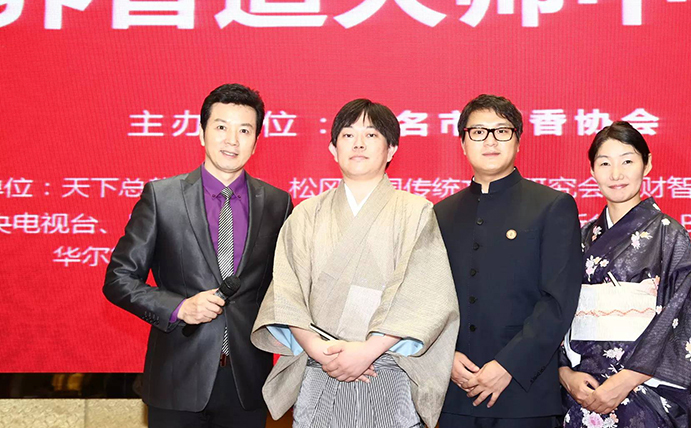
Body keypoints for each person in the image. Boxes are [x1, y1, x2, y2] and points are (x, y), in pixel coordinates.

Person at [251, 98, 459, 428]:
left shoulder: (415, 212)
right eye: (348, 135)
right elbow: (287, 295)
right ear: (333, 149)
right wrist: (318, 349)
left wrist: (368, 351)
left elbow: (424, 297)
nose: (358, 143)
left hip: (387, 371)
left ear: (391, 149)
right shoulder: (306, 214)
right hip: (321, 367)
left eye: (371, 135)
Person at [103, 83, 293, 428]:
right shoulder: (162, 197)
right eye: (221, 127)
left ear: (256, 141)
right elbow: (119, 278)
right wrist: (179, 307)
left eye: (244, 130)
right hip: (176, 377)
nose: (232, 140)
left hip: (246, 382)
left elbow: (283, 286)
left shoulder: (278, 203)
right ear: (202, 132)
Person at [434, 94, 584, 428]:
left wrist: (508, 366)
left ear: (518, 141)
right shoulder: (441, 213)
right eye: (478, 132)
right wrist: (445, 355)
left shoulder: (552, 206)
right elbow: (429, 298)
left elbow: (558, 301)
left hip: (524, 395)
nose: (490, 141)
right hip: (455, 390)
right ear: (463, 143)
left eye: (502, 131)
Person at [558, 121, 691, 428]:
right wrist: (564, 373)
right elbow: (557, 309)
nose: (616, 174)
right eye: (605, 163)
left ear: (647, 164)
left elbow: (684, 315)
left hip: (643, 388)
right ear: (592, 170)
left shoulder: (669, 235)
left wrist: (627, 379)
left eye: (627, 161)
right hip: (584, 389)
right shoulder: (580, 238)